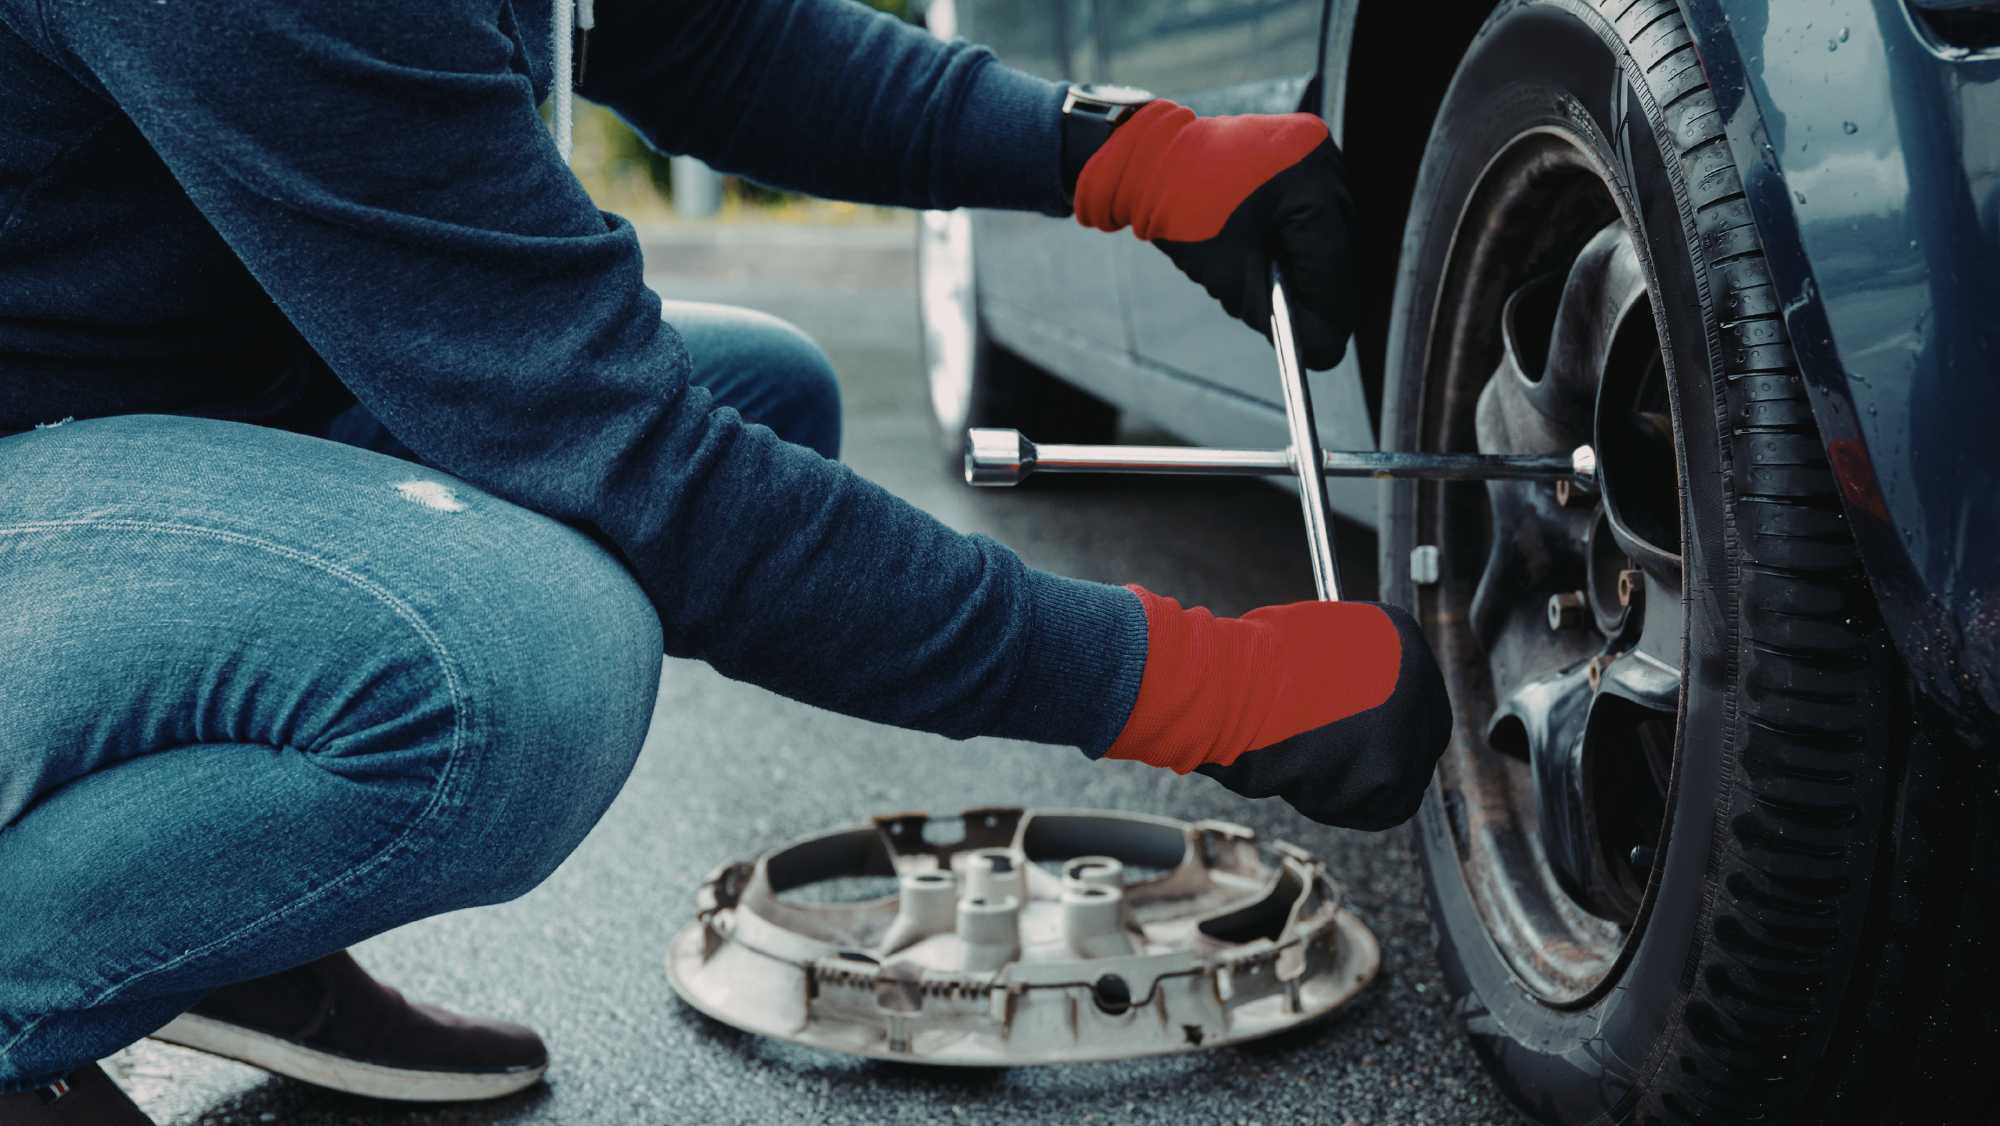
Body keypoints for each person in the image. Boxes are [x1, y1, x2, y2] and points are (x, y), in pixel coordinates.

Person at [0, 1, 1450, 1119]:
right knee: (518, 662)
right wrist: (1193, 685)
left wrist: (1114, 148)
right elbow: (638, 468)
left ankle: (212, 923)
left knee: (762, 388)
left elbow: (707, 38)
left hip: (144, 396)